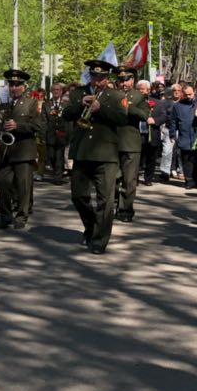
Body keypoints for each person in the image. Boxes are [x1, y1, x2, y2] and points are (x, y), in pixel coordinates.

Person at [62, 59, 127, 254]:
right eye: (94, 76)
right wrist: (79, 105)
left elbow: (122, 119)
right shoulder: (78, 93)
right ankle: (91, 226)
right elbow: (66, 114)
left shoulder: (116, 95)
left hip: (106, 154)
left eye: (101, 77)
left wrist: (101, 108)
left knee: (104, 200)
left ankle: (99, 240)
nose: (97, 80)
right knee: (78, 196)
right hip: (82, 151)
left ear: (107, 78)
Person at [0, 68, 40, 229]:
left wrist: (19, 126)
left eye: (17, 85)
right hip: (4, 152)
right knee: (2, 183)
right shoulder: (0, 104)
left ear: (24, 87)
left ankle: (22, 216)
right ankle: (5, 215)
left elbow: (37, 125)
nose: (14, 88)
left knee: (23, 186)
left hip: (24, 151)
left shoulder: (31, 103)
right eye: (11, 84)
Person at [113, 66, 150, 222]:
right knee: (112, 178)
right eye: (120, 80)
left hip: (130, 143)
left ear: (132, 80)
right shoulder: (110, 95)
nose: (123, 83)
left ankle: (125, 209)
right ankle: (113, 203)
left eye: (126, 80)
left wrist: (128, 108)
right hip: (111, 142)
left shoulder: (138, 97)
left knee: (129, 180)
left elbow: (144, 115)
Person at [171, 84, 197, 190]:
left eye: (190, 94)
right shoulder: (178, 106)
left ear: (194, 92)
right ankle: (189, 180)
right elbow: (173, 121)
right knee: (187, 160)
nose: (189, 96)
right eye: (186, 94)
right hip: (185, 136)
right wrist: (173, 134)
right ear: (183, 94)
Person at [138, 80, 167, 186]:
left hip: (152, 133)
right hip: (137, 133)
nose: (141, 91)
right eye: (139, 89)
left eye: (144, 89)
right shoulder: (131, 101)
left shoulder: (157, 102)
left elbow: (164, 116)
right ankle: (134, 178)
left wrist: (155, 121)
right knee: (137, 158)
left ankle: (148, 178)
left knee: (151, 157)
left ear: (149, 90)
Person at [43, 81, 70, 184]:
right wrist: (43, 134)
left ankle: (58, 177)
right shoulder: (47, 104)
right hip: (50, 135)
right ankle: (57, 171)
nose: (56, 92)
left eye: (58, 90)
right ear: (51, 91)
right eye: (54, 90)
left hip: (62, 135)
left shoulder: (66, 104)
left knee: (59, 156)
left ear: (61, 91)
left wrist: (68, 134)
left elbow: (68, 120)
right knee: (51, 156)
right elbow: (43, 120)